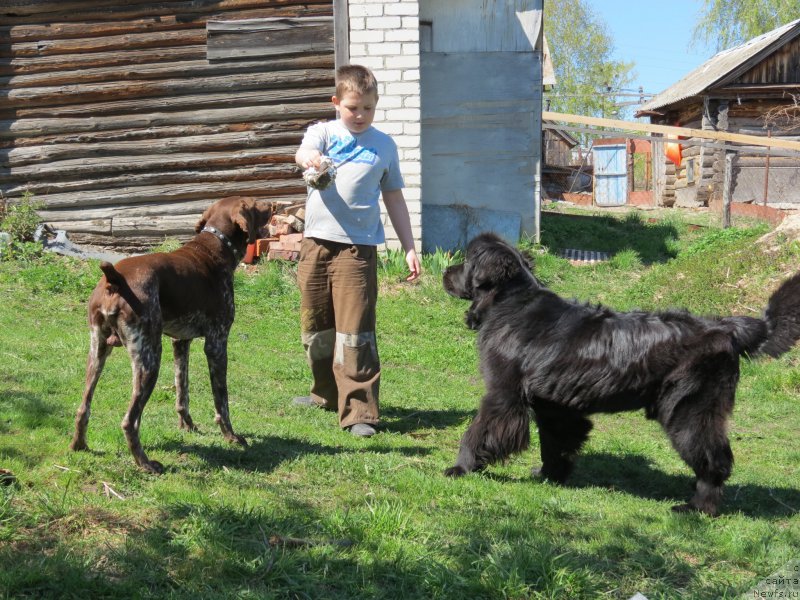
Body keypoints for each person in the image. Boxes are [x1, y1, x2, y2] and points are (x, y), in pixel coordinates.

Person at [293, 64, 421, 437]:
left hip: (357, 250)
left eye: (368, 108)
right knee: (317, 328)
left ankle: (360, 412)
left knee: (356, 332)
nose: (360, 115)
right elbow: (303, 152)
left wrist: (410, 247)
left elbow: (394, 197)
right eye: (352, 107)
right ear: (336, 103)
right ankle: (325, 395)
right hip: (316, 244)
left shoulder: (383, 145)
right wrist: (311, 161)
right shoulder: (324, 134)